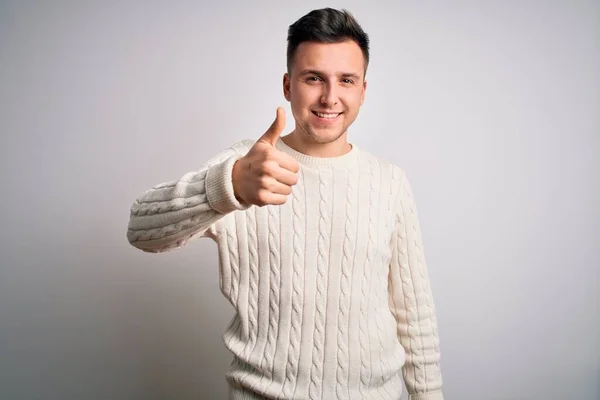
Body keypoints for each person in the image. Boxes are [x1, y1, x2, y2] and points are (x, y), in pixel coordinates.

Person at [127, 7, 444, 400]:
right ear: (288, 85)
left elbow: (415, 317)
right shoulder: (247, 167)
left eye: (346, 80)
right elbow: (140, 229)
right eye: (314, 78)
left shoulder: (390, 182)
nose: (330, 97)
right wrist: (229, 188)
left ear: (363, 90)